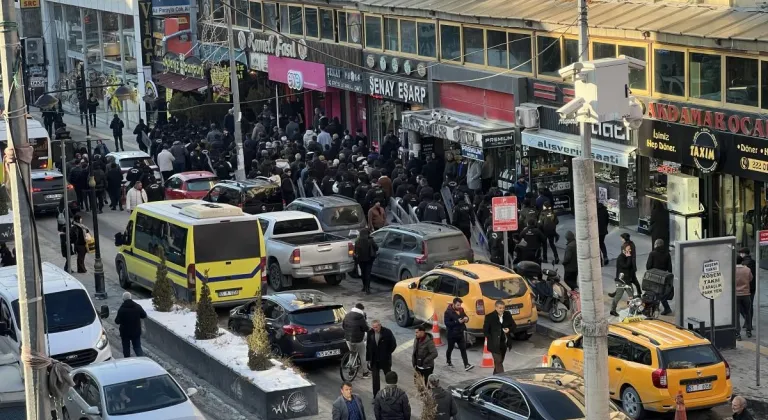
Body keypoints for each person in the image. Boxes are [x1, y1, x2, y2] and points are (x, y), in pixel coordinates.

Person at [483, 300, 516, 374]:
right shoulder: (489, 317)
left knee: (499, 362)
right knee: (498, 362)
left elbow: (514, 326)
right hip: (494, 345)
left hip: (504, 343)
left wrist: (509, 329)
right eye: (500, 308)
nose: (502, 310)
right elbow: (485, 331)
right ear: (496, 308)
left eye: (503, 308)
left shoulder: (507, 314)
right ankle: (504, 379)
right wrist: (492, 339)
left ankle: (495, 377)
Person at [366, 320, 397, 397]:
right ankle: (376, 396)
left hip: (385, 360)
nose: (375, 329)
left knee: (389, 377)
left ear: (380, 325)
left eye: (376, 327)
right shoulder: (370, 333)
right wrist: (368, 359)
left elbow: (393, 344)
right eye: (373, 327)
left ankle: (391, 394)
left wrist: (387, 353)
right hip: (374, 360)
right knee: (375, 380)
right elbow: (368, 346)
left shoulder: (387, 332)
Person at [444, 297, 473, 371]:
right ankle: (448, 361)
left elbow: (465, 316)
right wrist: (457, 322)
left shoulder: (461, 310)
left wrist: (466, 319)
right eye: (458, 305)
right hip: (451, 334)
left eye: (460, 305)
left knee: (463, 349)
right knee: (450, 348)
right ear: (453, 304)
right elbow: (447, 323)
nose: (459, 306)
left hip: (460, 333)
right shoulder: (448, 312)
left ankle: (466, 364)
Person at [115, 292, 147, 357]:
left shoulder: (122, 309)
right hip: (136, 331)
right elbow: (144, 315)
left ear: (123, 299)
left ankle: (127, 360)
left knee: (126, 348)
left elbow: (117, 321)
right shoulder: (137, 307)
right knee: (137, 347)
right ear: (130, 298)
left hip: (125, 333)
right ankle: (141, 359)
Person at [645, 239, 673, 315]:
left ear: (656, 245)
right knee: (660, 292)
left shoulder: (652, 254)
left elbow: (648, 266)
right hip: (663, 276)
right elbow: (670, 267)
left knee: (655, 292)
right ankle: (661, 307)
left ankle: (661, 308)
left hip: (654, 276)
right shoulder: (667, 254)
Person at [342, 303, 370, 378]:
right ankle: (365, 373)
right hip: (358, 339)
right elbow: (365, 328)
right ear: (361, 310)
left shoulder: (347, 315)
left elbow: (343, 326)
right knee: (363, 354)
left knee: (352, 353)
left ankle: (351, 372)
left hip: (348, 339)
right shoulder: (360, 316)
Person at [610, 243, 637, 316]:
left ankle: (632, 310)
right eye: (628, 249)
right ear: (623, 250)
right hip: (620, 281)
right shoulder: (620, 258)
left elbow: (631, 267)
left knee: (631, 295)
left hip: (627, 280)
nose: (630, 250)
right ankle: (612, 310)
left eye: (630, 249)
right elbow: (626, 266)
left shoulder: (628, 256)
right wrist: (629, 257)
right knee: (618, 295)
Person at [354, 228, 378, 294]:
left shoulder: (357, 241)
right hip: (369, 260)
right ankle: (368, 288)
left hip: (360, 260)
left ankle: (364, 287)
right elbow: (376, 247)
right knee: (368, 274)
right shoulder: (370, 240)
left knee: (363, 273)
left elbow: (355, 251)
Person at [735, 256, 753, 340]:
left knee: (736, 315)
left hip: (736, 295)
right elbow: (750, 279)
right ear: (742, 261)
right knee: (747, 313)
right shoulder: (747, 269)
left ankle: (737, 334)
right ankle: (748, 330)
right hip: (746, 294)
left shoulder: (732, 270)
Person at [738, 247, 757, 317]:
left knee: (740, 305)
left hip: (745, 287)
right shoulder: (754, 262)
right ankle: (749, 323)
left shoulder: (743, 263)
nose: (740, 255)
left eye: (740, 253)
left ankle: (747, 320)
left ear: (743, 254)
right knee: (750, 305)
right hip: (752, 286)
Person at [596, 201, 609, 265]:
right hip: (603, 230)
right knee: (601, 243)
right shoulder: (604, 209)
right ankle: (605, 256)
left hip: (596, 231)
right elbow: (607, 220)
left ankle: (600, 260)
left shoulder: (594, 210)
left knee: (597, 245)